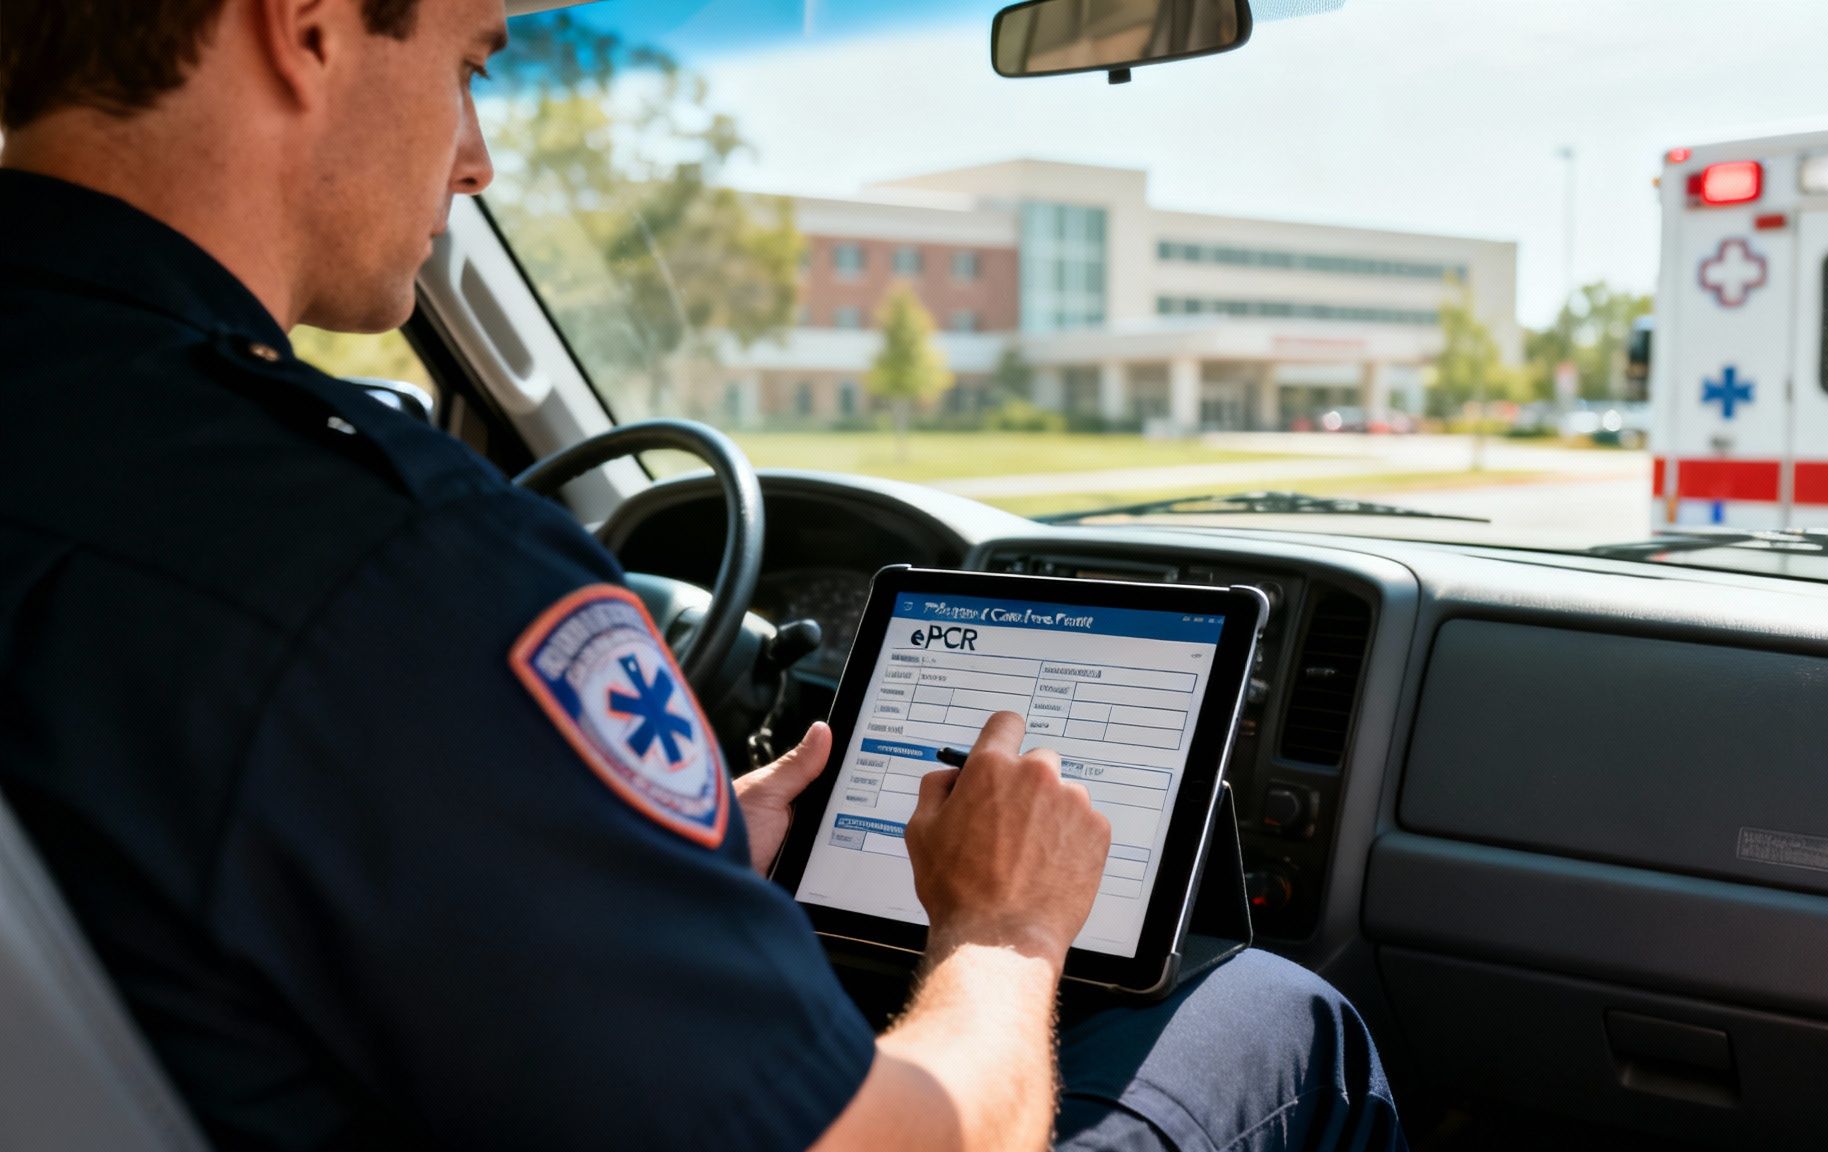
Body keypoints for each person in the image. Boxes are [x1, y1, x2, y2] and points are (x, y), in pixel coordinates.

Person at [0, 1, 1404, 1149]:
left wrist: (612, 837)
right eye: (471, 64)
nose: (476, 156)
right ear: (303, 28)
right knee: (1274, 1019)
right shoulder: (385, 571)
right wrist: (1010, 921)